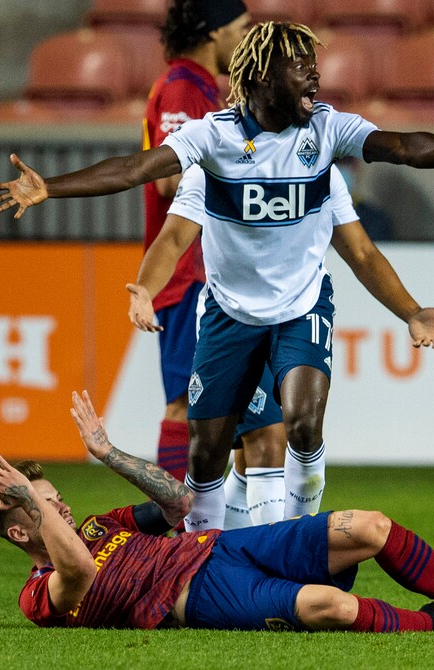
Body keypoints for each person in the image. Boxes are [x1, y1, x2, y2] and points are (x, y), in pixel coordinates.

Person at [0, 22, 434, 531]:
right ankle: (201, 550)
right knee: (206, 455)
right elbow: (140, 179)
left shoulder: (323, 134)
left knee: (302, 422)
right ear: (263, 75)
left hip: (301, 307)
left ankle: (299, 541)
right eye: (301, 65)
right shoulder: (213, 144)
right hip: (229, 314)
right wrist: (52, 189)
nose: (315, 74)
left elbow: (394, 157)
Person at [0, 390, 434, 633]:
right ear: (21, 528)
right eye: (44, 504)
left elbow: (178, 503)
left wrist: (108, 453)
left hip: (222, 548)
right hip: (198, 599)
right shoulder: (36, 595)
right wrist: (41, 514)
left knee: (371, 526)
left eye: (55, 495)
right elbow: (81, 577)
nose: (61, 504)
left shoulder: (99, 526)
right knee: (330, 606)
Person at [127, 161, 434, 532]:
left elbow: (361, 251)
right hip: (234, 317)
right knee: (226, 448)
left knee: (281, 435)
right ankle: (213, 560)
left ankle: (285, 549)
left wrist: (410, 311)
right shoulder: (217, 158)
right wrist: (145, 289)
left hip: (298, 312)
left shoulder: (318, 167)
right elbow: (169, 232)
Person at [142, 0, 287, 528]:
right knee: (188, 407)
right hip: (189, 275)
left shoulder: (207, 90)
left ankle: (236, 540)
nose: (246, 38)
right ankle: (175, 535)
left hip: (221, 275)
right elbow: (166, 176)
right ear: (214, 31)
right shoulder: (182, 86)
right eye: (242, 28)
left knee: (252, 422)